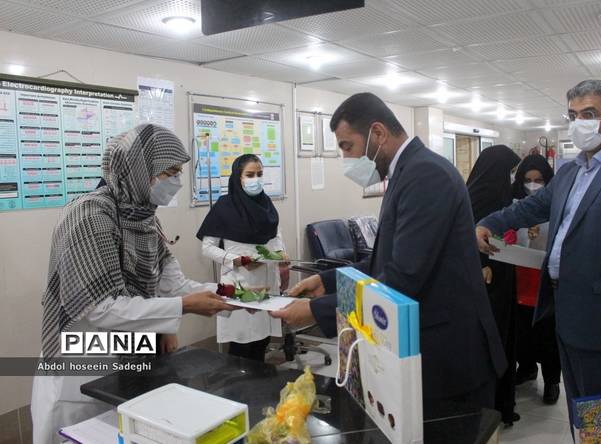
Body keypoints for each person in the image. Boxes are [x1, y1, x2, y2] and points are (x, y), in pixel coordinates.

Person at [272, 92, 507, 419]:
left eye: (347, 146)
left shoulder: (426, 175)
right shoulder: (406, 172)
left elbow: (402, 278)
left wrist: (316, 311)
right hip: (430, 350)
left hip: (450, 358)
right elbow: (386, 260)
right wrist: (327, 282)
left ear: (378, 133)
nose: (346, 158)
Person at [475, 80, 601, 436]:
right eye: (573, 115)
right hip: (564, 312)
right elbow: (531, 207)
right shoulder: (570, 172)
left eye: (589, 114)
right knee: (581, 412)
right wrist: (489, 223)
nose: (580, 123)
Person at [31, 124, 236, 444]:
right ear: (137, 170)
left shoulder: (144, 218)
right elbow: (101, 309)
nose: (177, 181)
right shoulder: (89, 216)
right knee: (85, 433)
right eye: (169, 172)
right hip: (86, 359)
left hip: (130, 357)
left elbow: (173, 285)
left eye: (179, 172)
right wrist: (182, 308)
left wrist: (231, 294)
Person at [196, 154, 288, 361]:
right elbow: (207, 248)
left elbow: (276, 236)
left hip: (267, 281)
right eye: (250, 174)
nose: (256, 179)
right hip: (239, 282)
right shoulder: (224, 206)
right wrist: (235, 260)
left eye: (260, 174)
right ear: (238, 177)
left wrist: (282, 254)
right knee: (241, 345)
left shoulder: (266, 204)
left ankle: (259, 380)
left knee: (262, 341)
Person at [466, 145, 521, 426]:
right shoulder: (479, 197)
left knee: (504, 337)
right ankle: (495, 407)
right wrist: (481, 264)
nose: (512, 178)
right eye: (509, 172)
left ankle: (502, 404)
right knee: (494, 340)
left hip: (503, 271)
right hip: (488, 278)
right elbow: (465, 238)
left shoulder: (498, 195)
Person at [510, 154, 561, 405]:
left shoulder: (558, 205)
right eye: (528, 180)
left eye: (539, 180)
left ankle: (552, 380)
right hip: (520, 279)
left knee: (548, 335)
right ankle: (527, 367)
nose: (533, 185)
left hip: (547, 281)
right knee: (522, 332)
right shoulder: (514, 206)